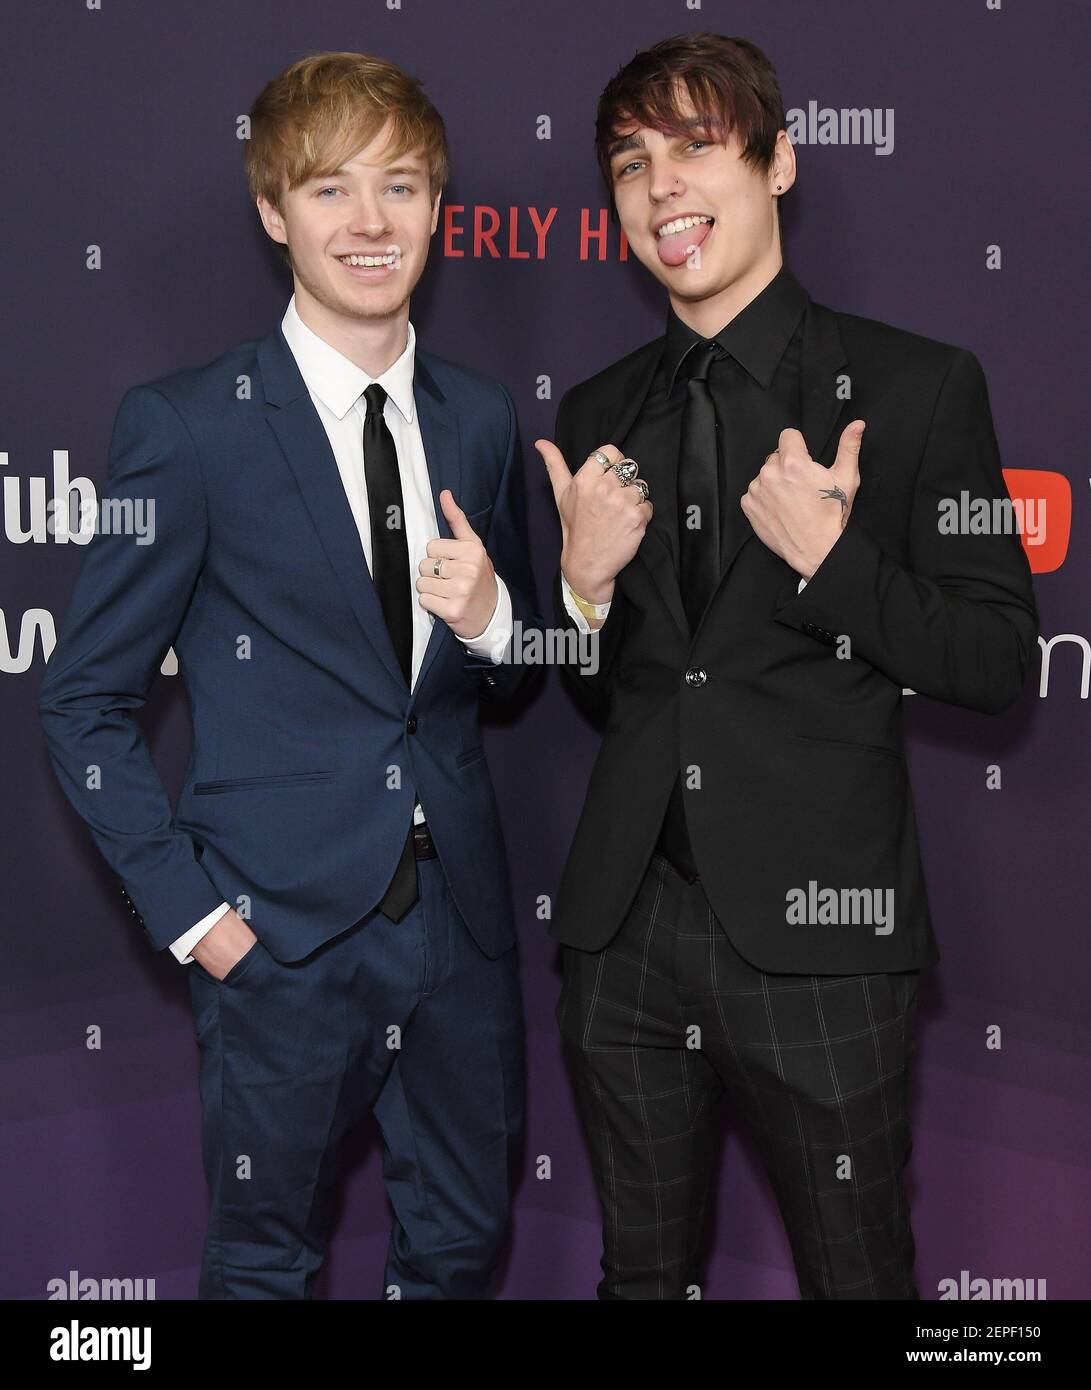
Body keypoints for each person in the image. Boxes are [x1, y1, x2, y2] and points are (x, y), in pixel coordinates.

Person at [536, 31, 1037, 1300]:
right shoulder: (595, 412)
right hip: (624, 932)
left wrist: (830, 562)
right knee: (638, 1277)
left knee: (855, 1279)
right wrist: (582, 587)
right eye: (630, 162)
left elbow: (995, 659)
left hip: (824, 937)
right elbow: (614, 690)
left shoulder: (917, 388)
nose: (661, 190)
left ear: (778, 162)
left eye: (697, 146)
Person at [38, 50, 540, 1300]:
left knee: (464, 1243)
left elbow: (514, 683)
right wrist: (202, 926)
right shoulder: (190, 426)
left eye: (401, 187)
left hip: (461, 930)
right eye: (329, 190)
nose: (369, 223)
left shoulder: (479, 419)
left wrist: (497, 623)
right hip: (279, 942)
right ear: (273, 213)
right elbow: (83, 701)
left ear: (438, 209)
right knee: (263, 1262)